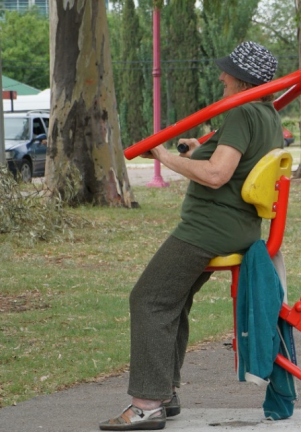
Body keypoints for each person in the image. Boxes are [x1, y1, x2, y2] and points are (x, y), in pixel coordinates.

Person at [99, 41, 283, 431]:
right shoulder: (267, 114)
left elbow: (217, 175)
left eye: (227, 72)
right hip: (237, 227)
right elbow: (234, 163)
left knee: (148, 299)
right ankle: (165, 392)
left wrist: (165, 156)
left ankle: (147, 403)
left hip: (209, 229)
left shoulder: (240, 112)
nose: (221, 76)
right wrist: (201, 148)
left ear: (242, 79)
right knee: (173, 300)